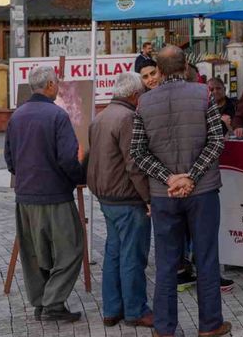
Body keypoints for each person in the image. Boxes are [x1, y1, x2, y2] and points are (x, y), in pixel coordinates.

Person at [130, 45, 231, 337]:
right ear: (186, 66)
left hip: (164, 195)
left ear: (158, 71)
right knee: (207, 256)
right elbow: (216, 141)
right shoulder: (203, 95)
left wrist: (169, 177)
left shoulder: (144, 103)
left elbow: (137, 151)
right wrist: (192, 176)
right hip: (203, 191)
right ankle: (210, 324)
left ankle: (164, 327)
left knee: (166, 261)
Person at [4, 66, 85, 323]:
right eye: (57, 83)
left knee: (33, 254)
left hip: (25, 196)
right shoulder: (57, 115)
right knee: (70, 249)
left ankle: (41, 302)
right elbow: (68, 159)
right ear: (50, 85)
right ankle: (52, 302)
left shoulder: (16, 116)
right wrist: (80, 178)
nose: (58, 87)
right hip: (55, 196)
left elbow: (10, 159)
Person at [87, 73, 154, 328]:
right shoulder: (127, 118)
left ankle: (112, 309)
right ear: (135, 95)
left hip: (106, 196)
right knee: (132, 256)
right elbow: (134, 164)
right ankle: (135, 310)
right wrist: (148, 197)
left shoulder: (101, 116)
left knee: (114, 253)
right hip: (126, 197)